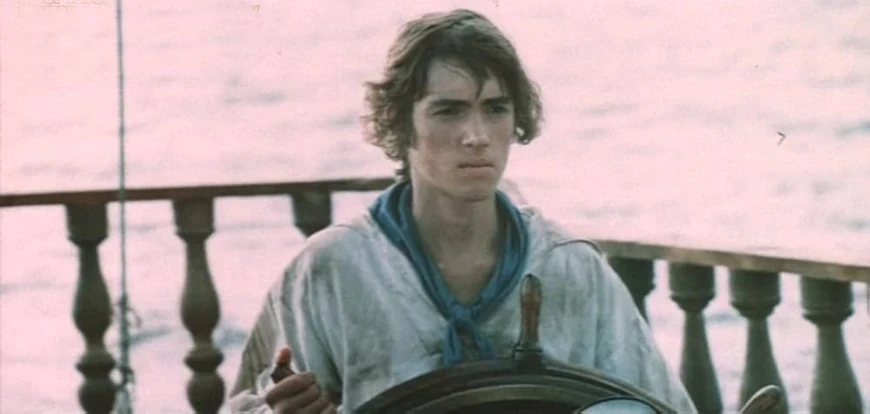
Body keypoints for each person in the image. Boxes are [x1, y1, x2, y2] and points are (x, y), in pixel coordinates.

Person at [228, 8, 697, 414]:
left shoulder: (569, 267)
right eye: (449, 111)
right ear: (401, 122)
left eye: (495, 109)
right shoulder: (333, 269)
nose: (476, 135)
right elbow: (250, 402)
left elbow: (659, 406)